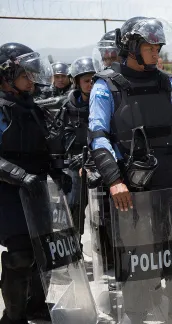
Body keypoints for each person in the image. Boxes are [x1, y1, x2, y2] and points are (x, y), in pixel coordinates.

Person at [88, 16, 172, 323]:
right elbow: (98, 136)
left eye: (158, 46)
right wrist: (114, 180)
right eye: (150, 45)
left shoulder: (167, 83)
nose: (156, 51)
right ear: (131, 46)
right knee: (135, 252)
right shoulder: (105, 85)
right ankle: (135, 315)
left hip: (168, 183)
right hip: (129, 188)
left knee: (171, 247)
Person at [0, 42, 70, 323]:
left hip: (37, 191)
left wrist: (57, 171)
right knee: (19, 256)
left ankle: (36, 305)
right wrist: (19, 176)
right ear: (7, 75)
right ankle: (13, 317)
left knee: (43, 251)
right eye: (24, 74)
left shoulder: (33, 107)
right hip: (9, 193)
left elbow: (44, 148)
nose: (31, 79)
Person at [62, 56, 97, 248]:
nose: (90, 84)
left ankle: (109, 251)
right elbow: (64, 134)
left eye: (94, 80)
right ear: (77, 82)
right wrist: (76, 156)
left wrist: (91, 155)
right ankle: (75, 246)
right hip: (77, 164)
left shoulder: (106, 101)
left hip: (101, 160)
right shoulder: (69, 106)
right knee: (75, 205)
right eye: (86, 80)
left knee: (105, 210)